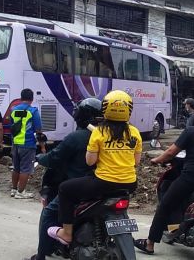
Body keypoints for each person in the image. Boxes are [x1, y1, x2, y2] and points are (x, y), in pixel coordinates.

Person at [134, 99, 194, 255]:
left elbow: (171, 152)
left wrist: (156, 160)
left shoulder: (191, 131)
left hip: (191, 180)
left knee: (164, 205)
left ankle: (150, 244)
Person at [47, 90, 141, 245]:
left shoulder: (99, 132)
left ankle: (66, 233)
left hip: (104, 183)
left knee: (64, 188)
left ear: (106, 108)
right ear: (128, 109)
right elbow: (136, 162)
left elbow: (90, 162)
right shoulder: (135, 132)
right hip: (130, 184)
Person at [27, 98, 102, 260]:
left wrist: (40, 158)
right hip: (106, 185)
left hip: (79, 187)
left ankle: (41, 256)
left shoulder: (76, 138)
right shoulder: (107, 136)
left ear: (79, 116)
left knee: (49, 213)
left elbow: (55, 157)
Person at [10, 88, 43, 199]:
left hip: (15, 143)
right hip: (28, 144)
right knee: (26, 169)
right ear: (32, 99)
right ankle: (21, 192)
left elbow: (12, 125)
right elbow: (38, 130)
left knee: (16, 168)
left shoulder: (13, 110)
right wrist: (42, 146)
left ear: (21, 97)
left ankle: (14, 189)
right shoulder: (33, 111)